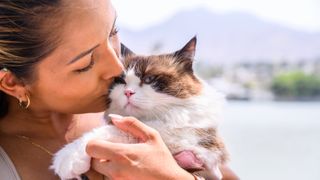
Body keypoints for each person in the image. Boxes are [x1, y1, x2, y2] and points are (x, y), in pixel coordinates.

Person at [0, 0, 239, 179]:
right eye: (86, 63)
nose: (118, 68)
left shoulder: (144, 104)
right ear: (13, 83)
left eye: (113, 32)